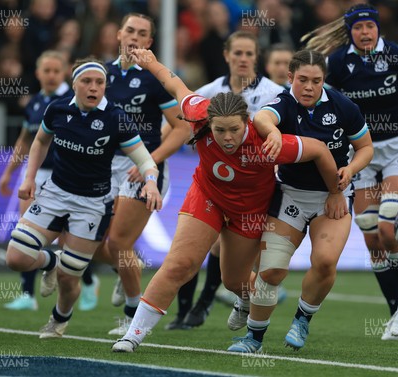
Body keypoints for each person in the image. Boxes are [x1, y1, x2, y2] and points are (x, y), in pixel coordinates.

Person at [111, 47, 346, 353]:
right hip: (207, 197)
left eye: (234, 129)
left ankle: (245, 298)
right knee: (180, 264)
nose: (228, 138)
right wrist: (152, 62)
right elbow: (174, 85)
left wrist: (336, 191)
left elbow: (317, 149)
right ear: (207, 123)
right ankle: (133, 335)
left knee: (234, 280)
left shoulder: (267, 142)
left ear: (246, 123)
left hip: (249, 213)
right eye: (220, 131)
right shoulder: (198, 112)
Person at [303, 3, 398, 341]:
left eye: (369, 26)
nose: (364, 32)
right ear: (350, 31)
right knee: (371, 235)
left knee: (389, 229)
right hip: (362, 154)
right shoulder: (337, 64)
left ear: (377, 28)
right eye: (358, 28)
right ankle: (396, 311)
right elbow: (314, 99)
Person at [4, 56, 162, 339]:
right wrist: (29, 177)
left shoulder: (116, 118)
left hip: (92, 204)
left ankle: (59, 320)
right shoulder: (58, 109)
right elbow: (40, 140)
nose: (93, 88)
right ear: (74, 83)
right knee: (16, 258)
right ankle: (51, 262)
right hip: (54, 193)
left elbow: (146, 161)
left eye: (99, 82)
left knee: (69, 277)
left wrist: (151, 183)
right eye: (86, 81)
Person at [228, 49, 374, 353]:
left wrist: (351, 169)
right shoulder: (284, 102)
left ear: (324, 81)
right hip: (290, 195)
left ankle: (302, 319)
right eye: (302, 80)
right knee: (271, 270)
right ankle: (253, 339)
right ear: (290, 78)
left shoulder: (343, 107)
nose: (309, 87)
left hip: (333, 197)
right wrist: (275, 134)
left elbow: (366, 148)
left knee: (324, 262)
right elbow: (263, 118)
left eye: (316, 81)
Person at [168, 30, 286, 331]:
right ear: (226, 56)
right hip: (216, 181)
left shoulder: (274, 92)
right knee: (193, 249)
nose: (243, 59)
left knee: (226, 253)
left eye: (249, 54)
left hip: (258, 186)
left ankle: (214, 304)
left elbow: (287, 133)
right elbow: (184, 122)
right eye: (238, 53)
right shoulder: (211, 91)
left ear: (257, 57)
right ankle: (190, 311)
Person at [91, 12, 190, 336]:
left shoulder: (153, 77)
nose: (134, 37)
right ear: (118, 34)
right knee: (90, 243)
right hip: (104, 167)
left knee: (119, 241)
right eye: (129, 30)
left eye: (141, 33)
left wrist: (150, 161)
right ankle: (125, 270)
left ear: (149, 42)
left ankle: (133, 315)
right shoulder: (100, 74)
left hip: (142, 169)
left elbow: (182, 127)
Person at [0, 50, 100, 312]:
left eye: (57, 71)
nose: (52, 75)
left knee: (67, 241)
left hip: (64, 179)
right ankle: (27, 294)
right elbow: (25, 139)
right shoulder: (34, 103)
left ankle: (88, 281)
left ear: (65, 72)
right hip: (36, 175)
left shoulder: (72, 100)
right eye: (47, 71)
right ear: (38, 73)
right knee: (26, 233)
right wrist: (10, 172)